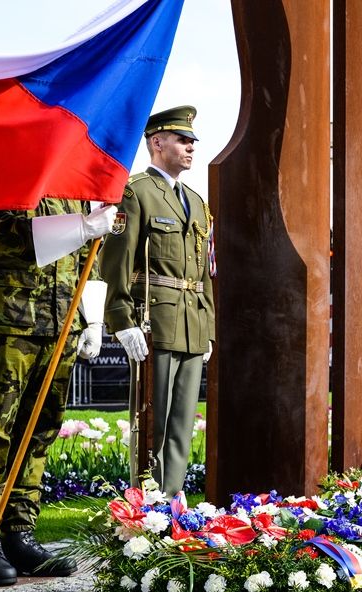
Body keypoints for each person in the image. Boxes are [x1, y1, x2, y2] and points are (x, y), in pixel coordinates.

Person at [0, 199, 112, 585]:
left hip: (60, 321)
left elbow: (84, 259)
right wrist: (83, 226)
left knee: (39, 432)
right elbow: (8, 235)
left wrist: (92, 319)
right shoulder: (1, 168)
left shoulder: (71, 185)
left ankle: (18, 533)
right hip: (6, 319)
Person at [100, 106, 215, 497]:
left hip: (191, 324)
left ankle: (172, 502)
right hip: (155, 322)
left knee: (182, 423)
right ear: (157, 142)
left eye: (192, 141)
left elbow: (204, 271)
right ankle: (145, 506)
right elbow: (115, 261)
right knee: (152, 421)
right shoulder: (135, 193)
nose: (190, 147)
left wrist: (209, 326)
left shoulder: (198, 203)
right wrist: (121, 317)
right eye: (183, 140)